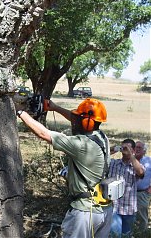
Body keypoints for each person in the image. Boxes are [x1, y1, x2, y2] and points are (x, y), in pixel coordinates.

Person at [17, 98, 113, 238]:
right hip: (104, 210)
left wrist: (20, 112)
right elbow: (78, 120)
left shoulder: (81, 145)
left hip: (85, 213)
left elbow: (44, 134)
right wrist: (55, 107)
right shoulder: (101, 136)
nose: (75, 120)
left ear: (87, 123)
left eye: (79, 118)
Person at [108, 139, 145, 237]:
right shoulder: (113, 163)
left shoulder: (136, 165)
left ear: (133, 150)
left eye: (128, 148)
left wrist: (131, 155)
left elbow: (140, 172)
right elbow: (100, 157)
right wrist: (113, 149)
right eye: (123, 148)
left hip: (129, 209)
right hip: (114, 207)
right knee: (115, 234)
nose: (125, 150)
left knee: (127, 235)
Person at [135, 141, 151, 233]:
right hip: (129, 194)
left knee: (142, 216)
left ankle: (142, 234)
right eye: (135, 147)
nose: (136, 149)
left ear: (144, 151)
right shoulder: (129, 160)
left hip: (143, 193)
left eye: (139, 148)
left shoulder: (149, 161)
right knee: (130, 216)